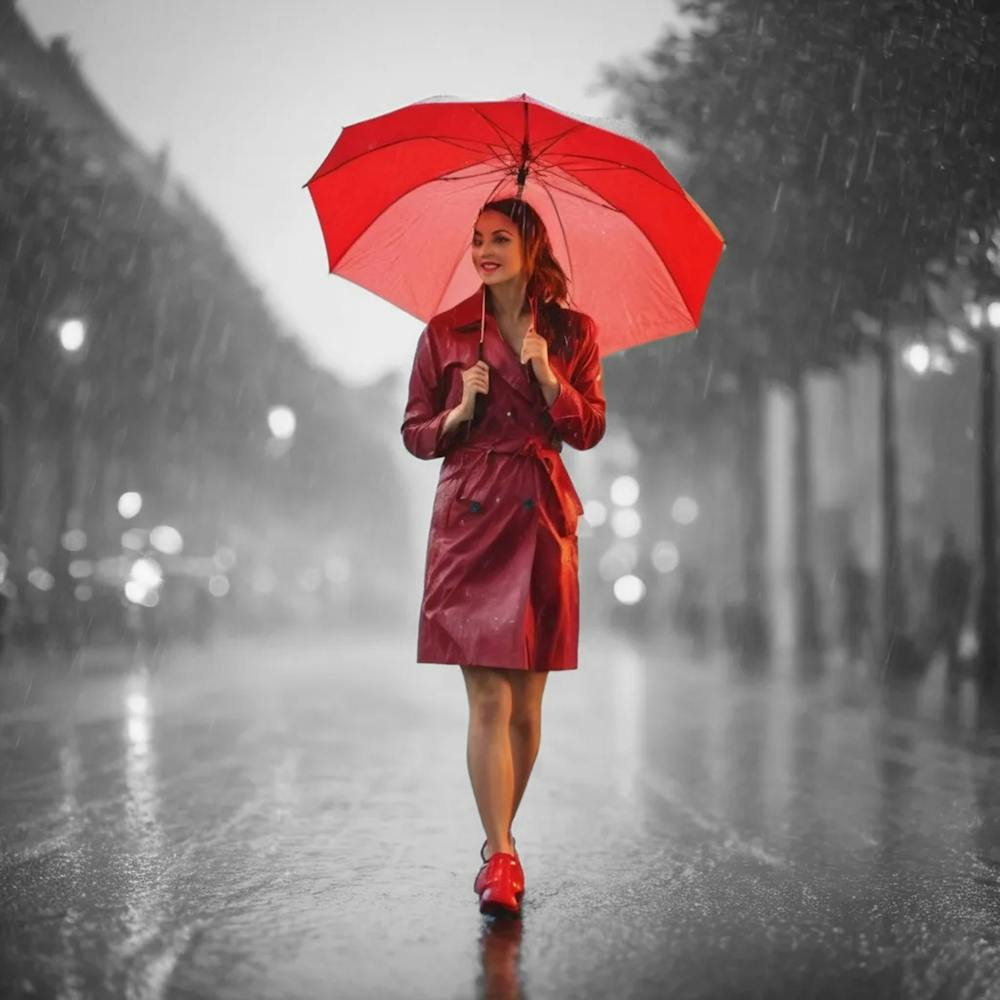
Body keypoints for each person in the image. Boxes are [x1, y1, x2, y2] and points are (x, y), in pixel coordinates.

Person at [400, 197, 606, 918]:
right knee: (488, 697)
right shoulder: (445, 332)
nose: (483, 251)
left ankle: (498, 846)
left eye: (497, 240)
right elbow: (415, 432)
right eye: (476, 238)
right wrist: (456, 416)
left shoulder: (573, 332)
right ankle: (502, 857)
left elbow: (590, 430)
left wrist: (550, 377)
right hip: (471, 518)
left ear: (530, 248)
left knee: (527, 706)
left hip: (542, 516)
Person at [929, 528, 972, 690]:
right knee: (948, 644)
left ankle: (953, 677)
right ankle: (952, 677)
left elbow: (963, 589)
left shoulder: (956, 563)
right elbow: (935, 587)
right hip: (947, 610)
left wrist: (959, 609)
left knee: (951, 644)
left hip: (952, 611)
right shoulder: (943, 563)